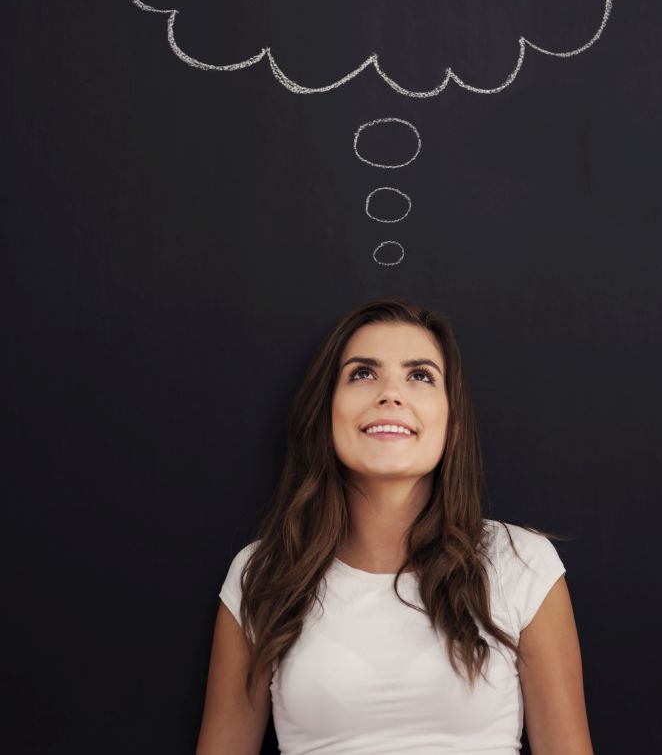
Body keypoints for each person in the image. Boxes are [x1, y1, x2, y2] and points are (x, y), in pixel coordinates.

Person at [195, 297, 595, 754]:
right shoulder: (263, 576)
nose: (390, 394)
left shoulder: (520, 564)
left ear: (452, 421)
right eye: (362, 373)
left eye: (420, 376)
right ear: (326, 412)